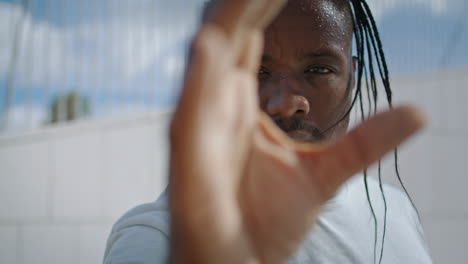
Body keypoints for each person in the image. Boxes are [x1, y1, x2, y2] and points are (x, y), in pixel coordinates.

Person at [103, 0, 433, 263]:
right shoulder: (158, 236)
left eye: (318, 69)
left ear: (352, 76)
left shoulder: (395, 208)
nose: (287, 102)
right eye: (256, 70)